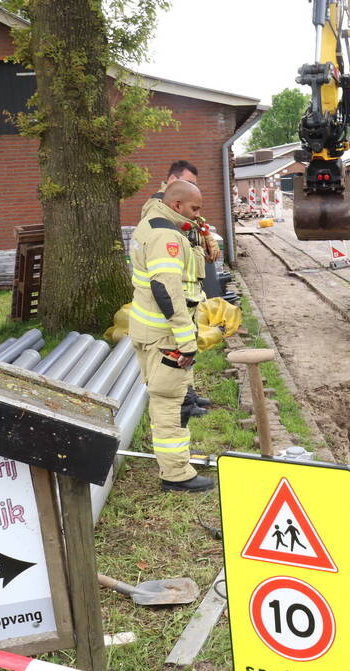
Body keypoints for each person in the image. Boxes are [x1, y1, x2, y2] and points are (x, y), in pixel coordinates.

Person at [129, 180, 214, 492]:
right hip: (165, 336)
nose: (197, 215)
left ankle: (175, 467)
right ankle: (176, 475)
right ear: (177, 205)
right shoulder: (166, 237)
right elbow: (166, 288)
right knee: (170, 406)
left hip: (148, 329)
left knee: (170, 400)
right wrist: (186, 340)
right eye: (194, 209)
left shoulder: (150, 222)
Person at [142, 161, 219, 417]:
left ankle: (190, 394)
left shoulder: (178, 205)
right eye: (189, 183)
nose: (194, 189)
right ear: (173, 180)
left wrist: (205, 234)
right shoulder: (158, 207)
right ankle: (184, 403)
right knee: (177, 347)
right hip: (174, 294)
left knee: (187, 344)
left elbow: (195, 221)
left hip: (189, 291)